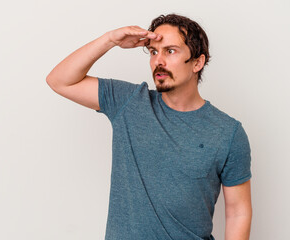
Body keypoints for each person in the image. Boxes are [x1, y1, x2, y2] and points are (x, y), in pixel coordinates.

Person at [46, 13, 252, 240]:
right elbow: (59, 80)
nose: (158, 61)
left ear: (197, 62)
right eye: (154, 52)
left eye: (170, 51)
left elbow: (238, 213)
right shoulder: (129, 102)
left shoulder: (228, 132)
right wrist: (110, 40)